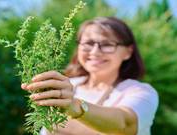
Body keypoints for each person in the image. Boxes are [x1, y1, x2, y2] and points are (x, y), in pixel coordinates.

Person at [21, 17, 159, 135]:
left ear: (128, 52)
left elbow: (125, 123)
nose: (95, 51)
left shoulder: (140, 92)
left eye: (107, 44)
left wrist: (74, 106)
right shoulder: (66, 85)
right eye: (88, 43)